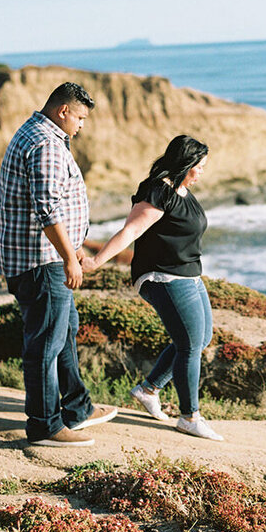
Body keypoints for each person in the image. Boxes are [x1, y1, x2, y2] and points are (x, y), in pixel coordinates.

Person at [0, 82, 118, 447]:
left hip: (42, 256)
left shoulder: (36, 131)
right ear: (63, 110)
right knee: (45, 343)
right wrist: (68, 257)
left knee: (64, 329)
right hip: (41, 261)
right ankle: (44, 426)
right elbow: (47, 210)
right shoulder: (47, 145)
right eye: (79, 117)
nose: (82, 125)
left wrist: (75, 247)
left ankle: (77, 408)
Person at [83, 134, 222, 441]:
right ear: (185, 163)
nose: (201, 172)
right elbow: (130, 230)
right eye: (198, 166)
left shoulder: (184, 191)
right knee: (188, 345)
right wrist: (96, 262)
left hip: (188, 275)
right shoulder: (159, 190)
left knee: (201, 339)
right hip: (162, 276)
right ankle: (189, 417)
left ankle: (148, 390)